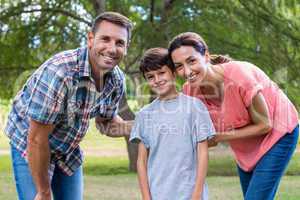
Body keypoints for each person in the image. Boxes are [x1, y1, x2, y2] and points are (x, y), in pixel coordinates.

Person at [4, 12, 132, 200]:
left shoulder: (116, 80)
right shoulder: (61, 73)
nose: (112, 49)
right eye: (105, 39)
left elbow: (105, 124)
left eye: (119, 43)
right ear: (90, 39)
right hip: (30, 143)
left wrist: (138, 127)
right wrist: (44, 191)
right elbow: (37, 139)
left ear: (126, 47)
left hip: (66, 148)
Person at [168, 32, 299, 200]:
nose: (187, 71)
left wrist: (219, 136)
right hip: (244, 144)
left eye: (191, 61)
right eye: (179, 66)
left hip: (279, 133)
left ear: (206, 56)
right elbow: (188, 130)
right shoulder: (190, 92)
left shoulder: (239, 76)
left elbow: (264, 124)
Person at [130, 48, 215, 200]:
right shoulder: (144, 115)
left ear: (174, 72)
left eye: (161, 73)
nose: (157, 80)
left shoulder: (195, 107)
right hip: (158, 194)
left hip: (190, 193)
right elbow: (141, 161)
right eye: (150, 77)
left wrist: (197, 194)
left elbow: (203, 154)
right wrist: (146, 197)